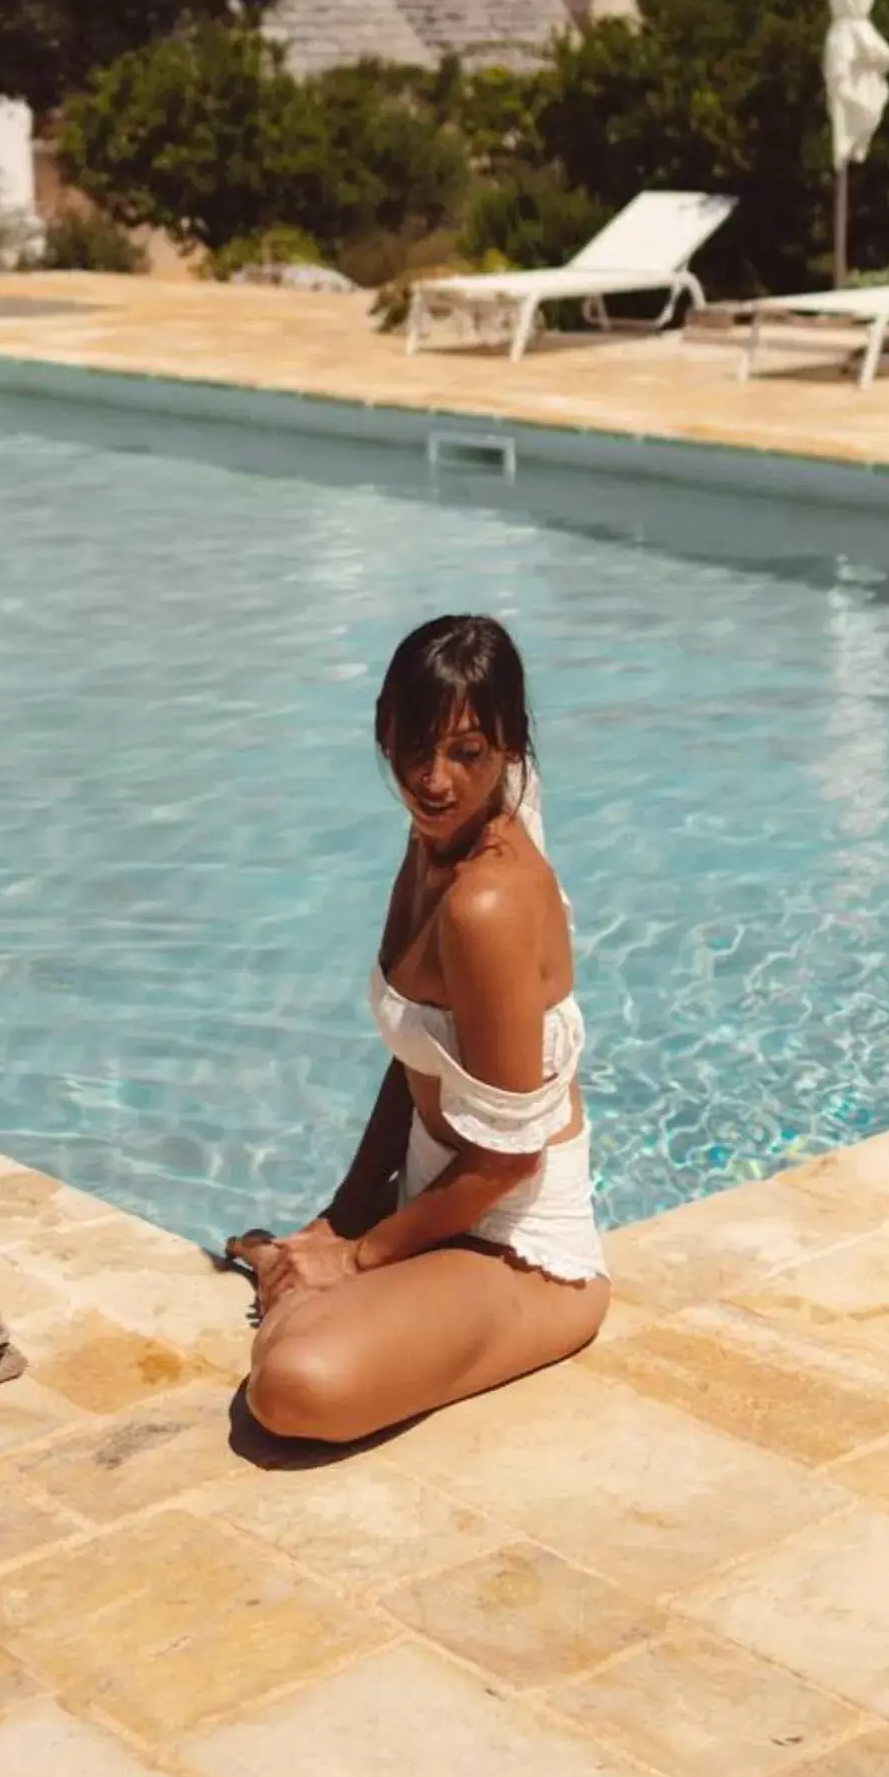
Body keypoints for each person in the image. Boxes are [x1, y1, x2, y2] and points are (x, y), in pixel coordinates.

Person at [229, 612, 609, 1444]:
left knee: (294, 1387)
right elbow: (418, 1057)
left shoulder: (489, 903)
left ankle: (299, 1290)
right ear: (384, 734)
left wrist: (358, 1256)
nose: (434, 781)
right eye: (412, 750)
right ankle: (308, 1285)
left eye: (467, 753)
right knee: (299, 1343)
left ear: (510, 746)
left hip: (515, 1248)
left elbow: (511, 1154)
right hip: (433, 1211)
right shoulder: (433, 835)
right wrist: (341, 1215)